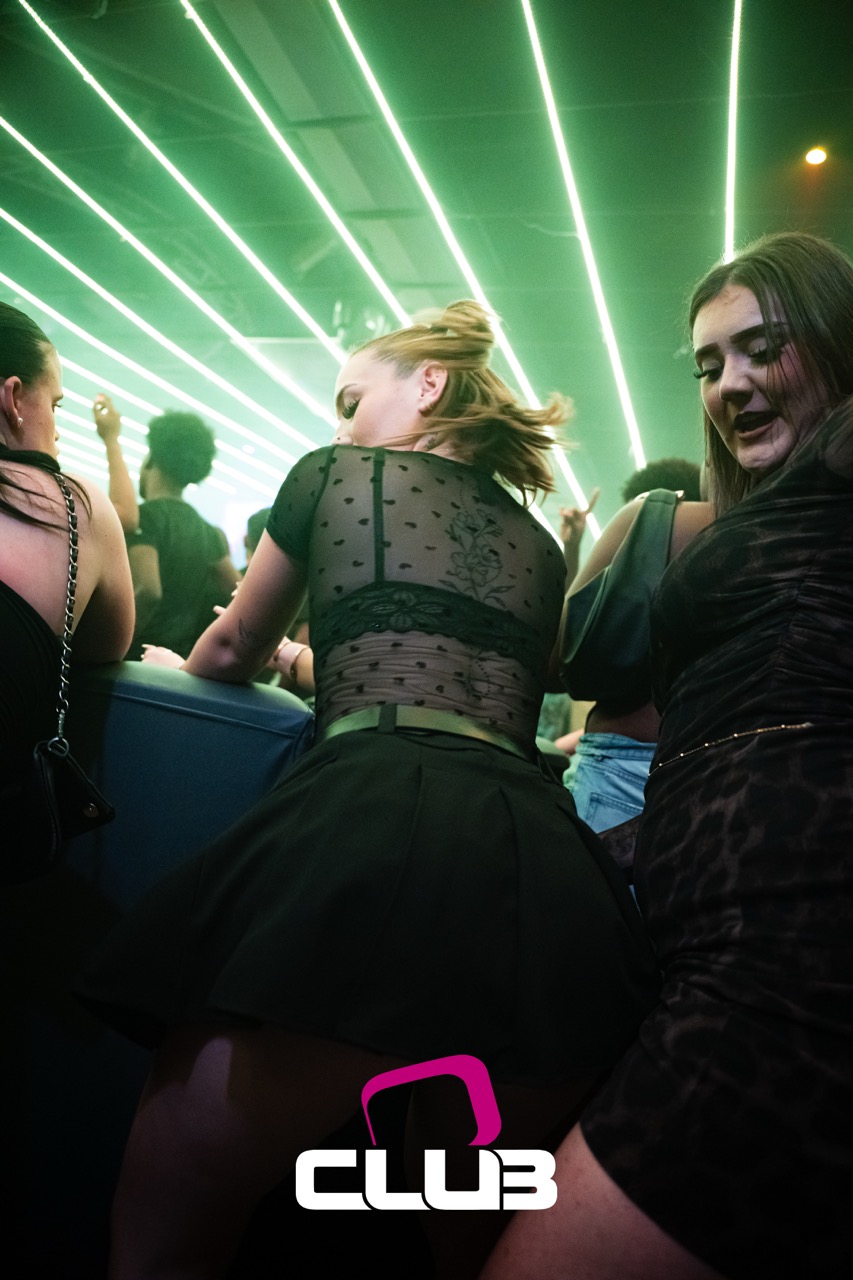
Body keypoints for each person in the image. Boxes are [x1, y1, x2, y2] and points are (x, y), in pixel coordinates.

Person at [75, 300, 660, 1279]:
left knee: (163, 1227)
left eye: (351, 399)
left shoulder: (333, 474)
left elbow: (231, 646)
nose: (341, 423)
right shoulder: (539, 544)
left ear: (429, 382)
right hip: (543, 878)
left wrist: (199, 665)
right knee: (459, 1245)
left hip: (372, 835)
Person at [480, 230, 853, 1280]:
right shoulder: (765, 513)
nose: (729, 383)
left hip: (787, 967)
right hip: (715, 943)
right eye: (707, 363)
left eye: (763, 347)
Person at [0, 302, 134, 801]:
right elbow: (105, 644)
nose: (55, 430)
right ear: (14, 397)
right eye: (54, 405)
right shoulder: (76, 505)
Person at [558, 473, 713, 836]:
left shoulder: (654, 518)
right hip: (729, 776)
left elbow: (560, 663)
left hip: (619, 769)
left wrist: (573, 549)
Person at [93, 397, 239, 659]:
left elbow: (149, 591)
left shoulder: (146, 518)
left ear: (151, 460)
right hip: (179, 662)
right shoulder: (209, 532)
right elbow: (238, 593)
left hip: (138, 659)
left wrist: (109, 649)